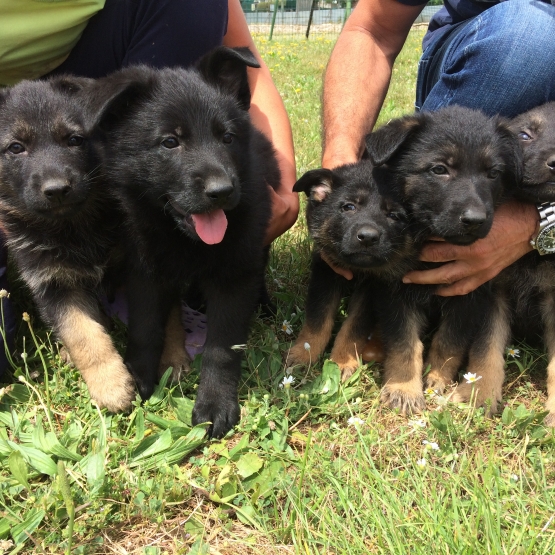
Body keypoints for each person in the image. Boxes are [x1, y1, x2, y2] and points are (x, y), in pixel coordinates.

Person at [0, 0, 298, 374]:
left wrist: (285, 185)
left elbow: (241, 56)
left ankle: (157, 288)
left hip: (92, 70)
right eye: (16, 149)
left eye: (74, 140)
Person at [322, 0, 555, 359]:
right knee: (527, 37)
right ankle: (400, 263)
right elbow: (371, 28)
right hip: (500, 49)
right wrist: (341, 168)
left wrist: (538, 222)